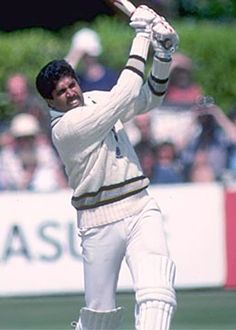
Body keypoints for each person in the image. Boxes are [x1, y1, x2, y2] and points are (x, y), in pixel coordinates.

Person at [35, 5, 178, 330]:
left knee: (157, 291)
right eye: (61, 92)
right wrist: (143, 36)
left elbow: (148, 98)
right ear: (50, 102)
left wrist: (164, 55)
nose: (71, 93)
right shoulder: (67, 128)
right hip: (99, 222)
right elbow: (125, 91)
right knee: (99, 317)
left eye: (72, 84)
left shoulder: (96, 99)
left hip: (140, 206)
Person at [0, 113, 67, 191]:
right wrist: (30, 170)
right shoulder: (8, 155)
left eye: (29, 137)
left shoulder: (44, 152)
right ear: (15, 139)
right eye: (21, 138)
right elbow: (18, 183)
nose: (25, 142)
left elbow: (58, 175)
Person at [65, 27, 120, 92]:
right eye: (84, 54)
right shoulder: (77, 82)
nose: (87, 58)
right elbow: (61, 81)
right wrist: (74, 57)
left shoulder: (112, 77)